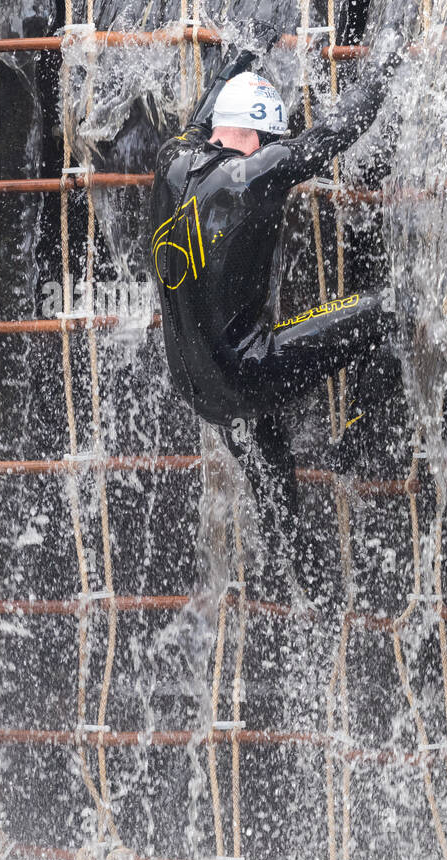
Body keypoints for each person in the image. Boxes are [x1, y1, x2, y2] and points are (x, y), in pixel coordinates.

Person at [151, 20, 404, 590]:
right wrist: (385, 61)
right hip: (248, 369)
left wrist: (246, 48)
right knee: (389, 310)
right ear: (261, 138)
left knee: (274, 481)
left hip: (196, 383)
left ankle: (300, 585)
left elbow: (204, 109)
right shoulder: (255, 174)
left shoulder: (173, 159)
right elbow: (336, 133)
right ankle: (356, 440)